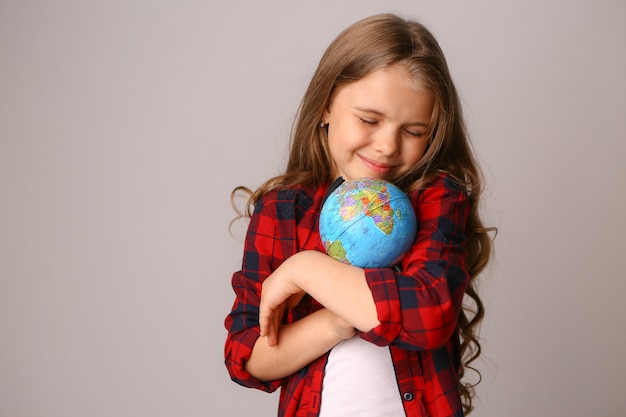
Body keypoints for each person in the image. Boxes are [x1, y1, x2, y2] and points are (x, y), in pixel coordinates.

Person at [224, 13, 494, 417]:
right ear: (325, 108)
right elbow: (247, 359)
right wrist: (336, 321)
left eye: (414, 131)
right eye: (369, 119)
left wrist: (305, 269)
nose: (387, 146)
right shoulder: (283, 210)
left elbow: (428, 316)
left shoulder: (437, 199)